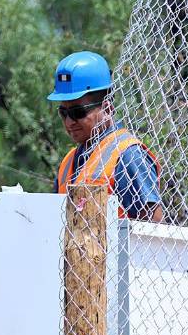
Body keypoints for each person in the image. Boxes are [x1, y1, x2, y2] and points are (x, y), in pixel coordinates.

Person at [50, 51, 163, 221]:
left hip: (115, 248)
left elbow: (153, 229)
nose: (69, 122)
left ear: (107, 108)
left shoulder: (127, 155)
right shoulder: (69, 161)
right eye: (63, 113)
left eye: (78, 112)